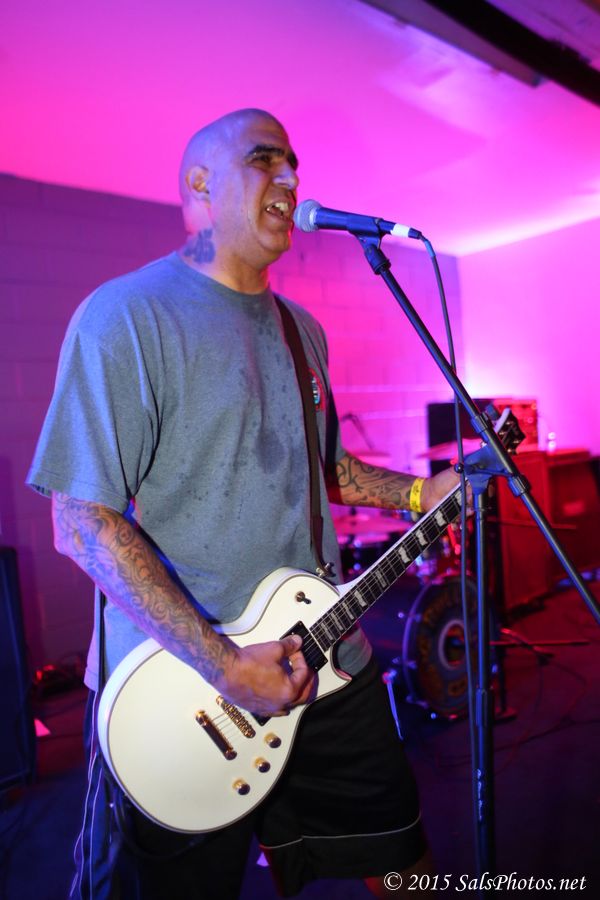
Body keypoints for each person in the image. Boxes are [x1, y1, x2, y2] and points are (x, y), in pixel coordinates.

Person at [27, 108, 461, 899]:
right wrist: (227, 667)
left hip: (322, 656)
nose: (291, 179)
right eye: (266, 159)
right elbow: (81, 523)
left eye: (294, 164)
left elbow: (323, 467)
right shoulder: (125, 316)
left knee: (404, 862)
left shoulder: (302, 330)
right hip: (182, 687)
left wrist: (415, 493)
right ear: (200, 183)